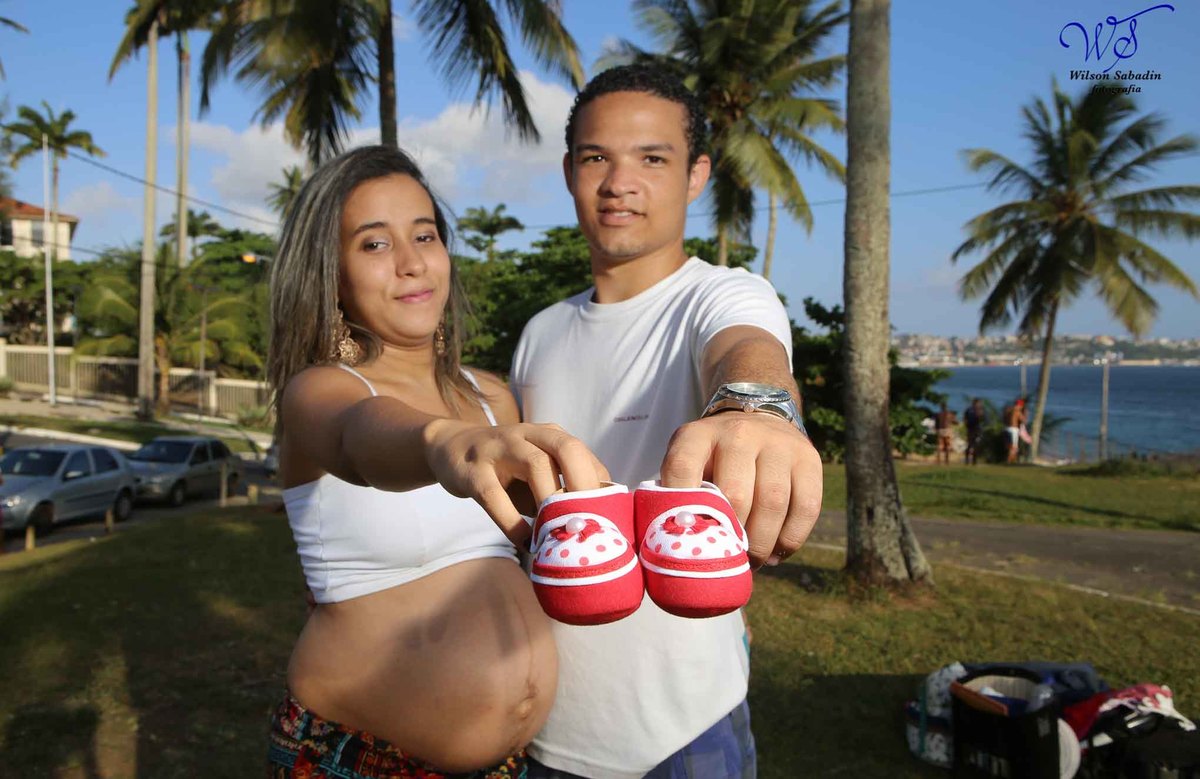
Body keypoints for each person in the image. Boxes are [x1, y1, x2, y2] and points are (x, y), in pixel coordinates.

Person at [510, 64, 823, 779]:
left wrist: (757, 407)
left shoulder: (723, 295)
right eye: (597, 157)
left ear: (696, 176)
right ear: (570, 171)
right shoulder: (539, 332)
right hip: (544, 722)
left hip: (680, 734)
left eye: (652, 159)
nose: (619, 183)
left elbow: (748, 348)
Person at [265, 145, 609, 777]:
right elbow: (360, 437)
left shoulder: (493, 397)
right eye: (374, 244)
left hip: (510, 765)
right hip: (360, 757)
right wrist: (446, 443)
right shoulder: (319, 391)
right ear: (330, 273)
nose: (411, 262)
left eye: (424, 235)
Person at [963, 398, 985, 465]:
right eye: (978, 403)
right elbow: (965, 419)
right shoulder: (969, 410)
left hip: (978, 429)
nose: (978, 405)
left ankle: (974, 461)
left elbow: (984, 419)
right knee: (970, 445)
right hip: (971, 429)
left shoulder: (980, 410)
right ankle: (967, 461)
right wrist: (967, 425)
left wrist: (980, 415)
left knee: (976, 445)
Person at [1005, 398, 1027, 464]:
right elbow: (1024, 420)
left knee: (1010, 447)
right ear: (1020, 405)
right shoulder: (1017, 411)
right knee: (1014, 447)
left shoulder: (1009, 410)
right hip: (1013, 430)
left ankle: (1012, 461)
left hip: (1007, 429)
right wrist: (1025, 413)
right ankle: (1009, 462)